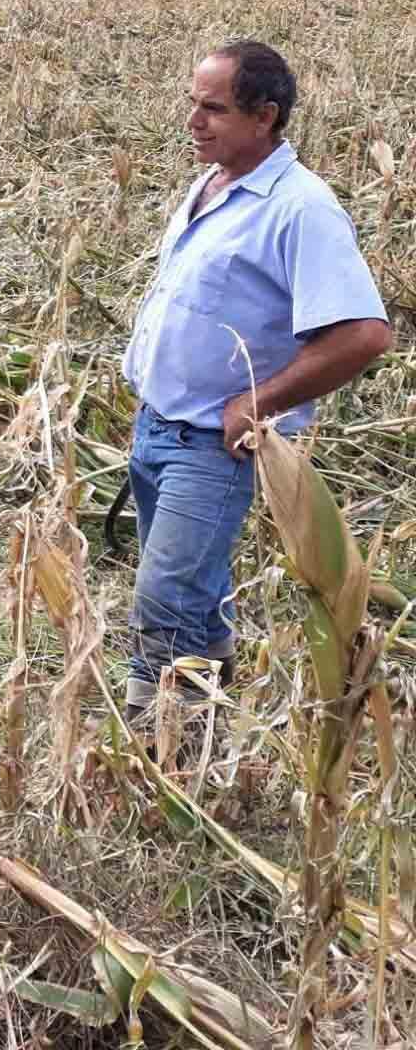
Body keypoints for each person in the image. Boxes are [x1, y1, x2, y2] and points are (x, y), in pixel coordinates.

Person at [120, 40, 390, 717]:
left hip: (214, 445)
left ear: (264, 116)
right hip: (157, 428)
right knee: (193, 588)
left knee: (165, 597)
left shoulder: (301, 209)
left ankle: (158, 745)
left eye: (213, 109)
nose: (194, 121)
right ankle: (207, 717)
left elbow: (363, 333)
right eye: (193, 104)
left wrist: (257, 400)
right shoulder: (213, 184)